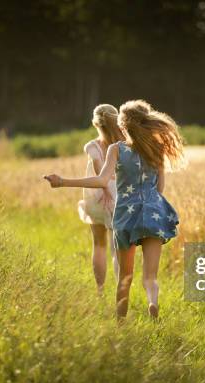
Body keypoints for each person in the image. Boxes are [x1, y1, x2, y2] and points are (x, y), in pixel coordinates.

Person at [44, 100, 185, 319]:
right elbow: (160, 187)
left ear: (123, 125)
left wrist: (63, 181)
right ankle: (152, 302)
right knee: (150, 278)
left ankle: (120, 324)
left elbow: (101, 181)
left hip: (126, 215)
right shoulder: (157, 148)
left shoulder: (116, 150)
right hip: (153, 212)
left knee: (125, 278)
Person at [79, 104, 124, 295]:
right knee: (118, 249)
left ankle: (100, 291)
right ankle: (121, 292)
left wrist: (104, 189)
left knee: (98, 244)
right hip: (119, 196)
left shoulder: (92, 146)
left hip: (96, 196)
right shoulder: (124, 144)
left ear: (95, 123)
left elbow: (99, 170)